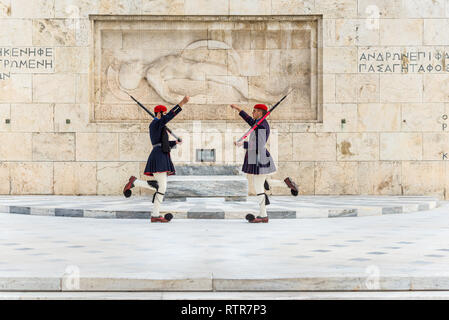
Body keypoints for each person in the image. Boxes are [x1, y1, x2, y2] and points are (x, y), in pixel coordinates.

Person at [123, 96, 190, 223]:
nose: (165, 115)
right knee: (162, 187)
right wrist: (181, 103)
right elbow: (169, 116)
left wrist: (175, 142)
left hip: (162, 154)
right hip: (159, 156)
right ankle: (153, 212)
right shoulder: (156, 123)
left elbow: (163, 143)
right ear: (159, 113)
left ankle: (136, 185)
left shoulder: (159, 125)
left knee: (161, 187)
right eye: (163, 113)